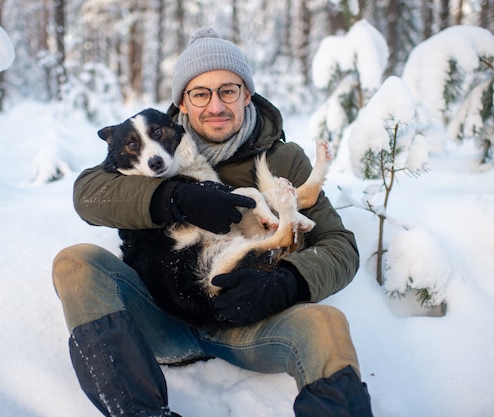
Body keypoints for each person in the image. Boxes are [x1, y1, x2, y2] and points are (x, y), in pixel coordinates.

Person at [52, 27, 373, 417]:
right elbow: (88, 193)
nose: (216, 105)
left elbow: (339, 245)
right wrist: (171, 198)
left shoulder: (284, 159)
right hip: (160, 319)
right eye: (200, 93)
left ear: (247, 95)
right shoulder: (147, 148)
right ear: (183, 104)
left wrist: (287, 281)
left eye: (228, 90)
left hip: (248, 326)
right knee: (75, 263)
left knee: (326, 323)